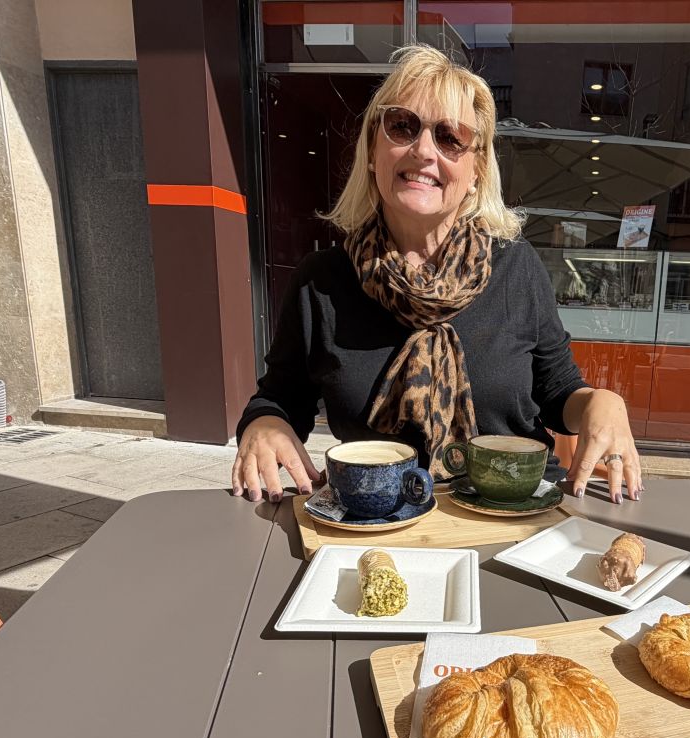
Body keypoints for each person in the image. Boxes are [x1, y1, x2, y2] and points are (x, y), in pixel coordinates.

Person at [232, 44, 643, 505]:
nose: (424, 150)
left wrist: (601, 403)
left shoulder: (516, 267)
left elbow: (559, 392)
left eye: (449, 137)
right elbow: (280, 398)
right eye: (403, 126)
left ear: (476, 171)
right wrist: (264, 426)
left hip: (513, 510)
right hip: (382, 515)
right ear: (373, 149)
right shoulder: (321, 282)